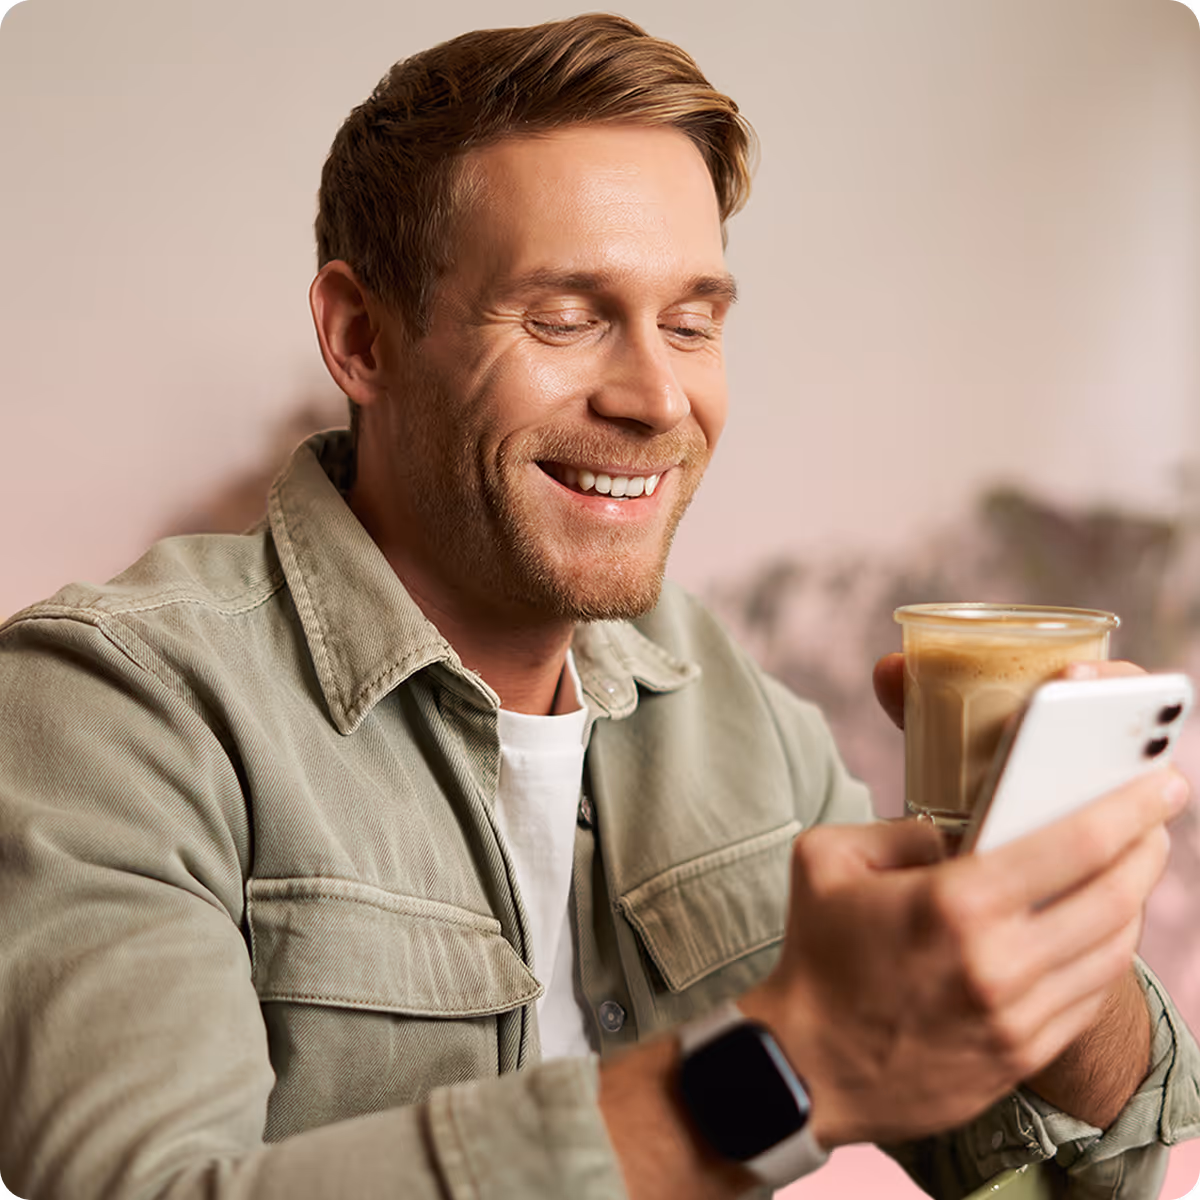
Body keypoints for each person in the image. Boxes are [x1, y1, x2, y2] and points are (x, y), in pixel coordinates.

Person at [0, 13, 1196, 1200]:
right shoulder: (113, 708)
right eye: (566, 319)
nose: (658, 397)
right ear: (362, 337)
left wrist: (1058, 926)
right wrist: (788, 1069)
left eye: (692, 324)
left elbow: (1091, 1169)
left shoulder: (719, 698)